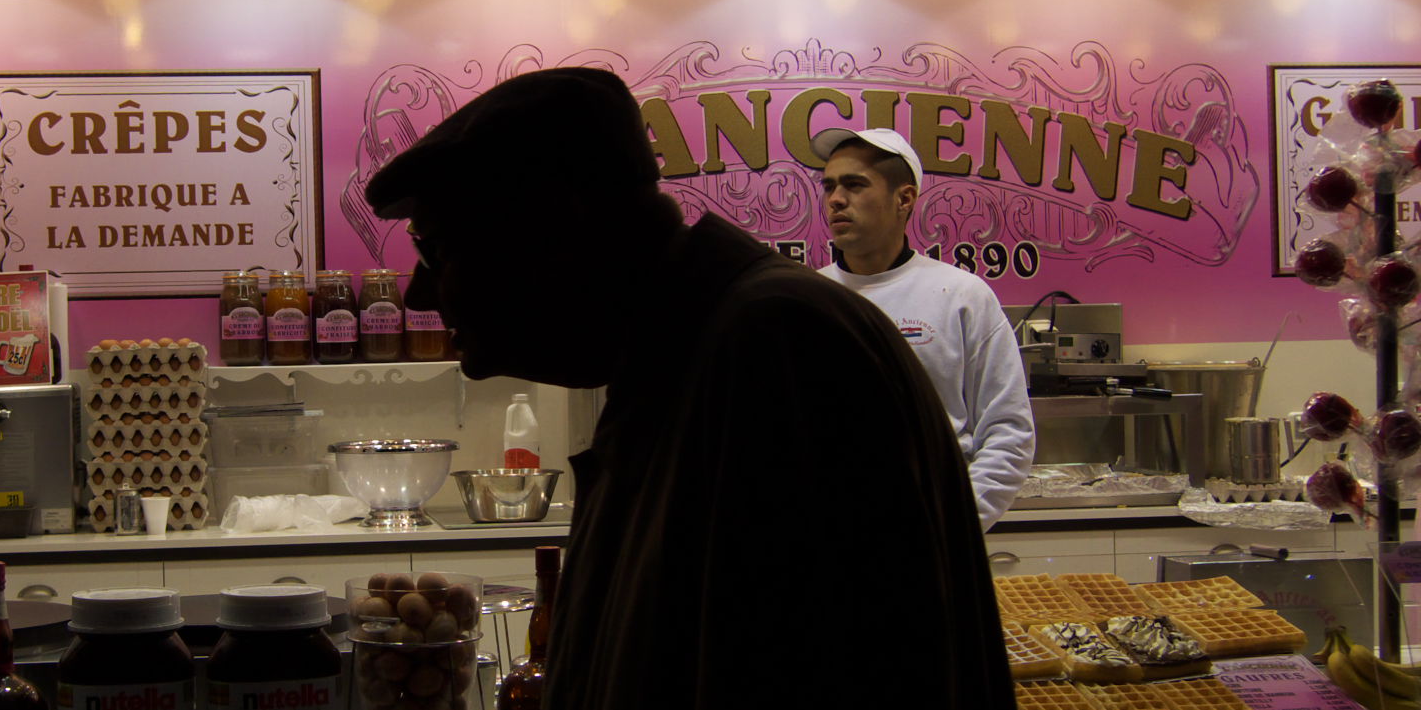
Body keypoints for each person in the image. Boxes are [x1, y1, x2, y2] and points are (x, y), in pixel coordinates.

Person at [364, 67, 1011, 709]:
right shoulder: (683, 353)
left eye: (436, 247)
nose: (420, 291)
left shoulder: (775, 345)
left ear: (557, 223)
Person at [813, 127, 1035, 531]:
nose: (836, 200)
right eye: (829, 186)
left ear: (904, 198)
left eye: (855, 184)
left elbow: (1009, 431)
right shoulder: (806, 300)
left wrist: (952, 525)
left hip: (936, 539)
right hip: (830, 545)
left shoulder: (961, 297)